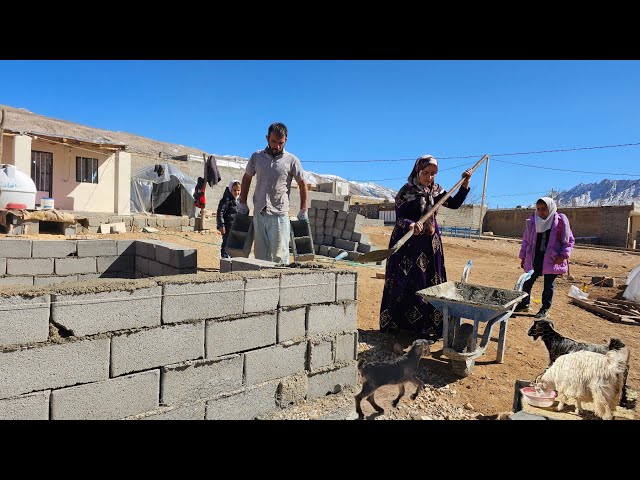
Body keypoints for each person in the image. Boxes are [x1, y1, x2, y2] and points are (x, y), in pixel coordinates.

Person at [379, 155, 473, 343]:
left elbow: (454, 204)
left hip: (430, 244)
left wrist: (465, 183)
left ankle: (426, 327)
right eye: (426, 173)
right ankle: (399, 325)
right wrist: (410, 224)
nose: (430, 177)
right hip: (408, 244)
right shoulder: (406, 191)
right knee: (406, 281)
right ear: (417, 171)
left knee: (429, 281)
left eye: (433, 174)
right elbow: (399, 218)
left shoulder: (437, 191)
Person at [237, 122, 308, 264]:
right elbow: (247, 178)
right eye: (274, 141)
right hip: (260, 213)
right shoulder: (257, 157)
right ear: (267, 138)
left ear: (286, 140)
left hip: (279, 215)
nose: (277, 146)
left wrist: (303, 208)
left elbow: (302, 183)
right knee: (261, 256)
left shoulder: (292, 160)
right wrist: (243, 202)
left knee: (280, 256)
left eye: (281, 143)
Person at [515, 197, 574, 318]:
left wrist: (563, 256)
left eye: (544, 209)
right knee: (527, 281)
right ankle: (524, 304)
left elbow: (569, 240)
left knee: (548, 285)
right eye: (538, 209)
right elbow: (526, 240)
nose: (541, 212)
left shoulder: (559, 223)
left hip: (552, 259)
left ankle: (544, 309)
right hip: (534, 257)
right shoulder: (533, 222)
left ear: (551, 208)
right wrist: (523, 257)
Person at [217, 180, 241, 259]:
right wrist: (221, 225)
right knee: (226, 244)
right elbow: (220, 213)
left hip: (236, 228)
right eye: (234, 190)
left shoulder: (239, 201)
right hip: (227, 228)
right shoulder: (226, 200)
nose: (236, 192)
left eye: (238, 190)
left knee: (235, 246)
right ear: (230, 189)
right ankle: (225, 261)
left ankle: (233, 262)